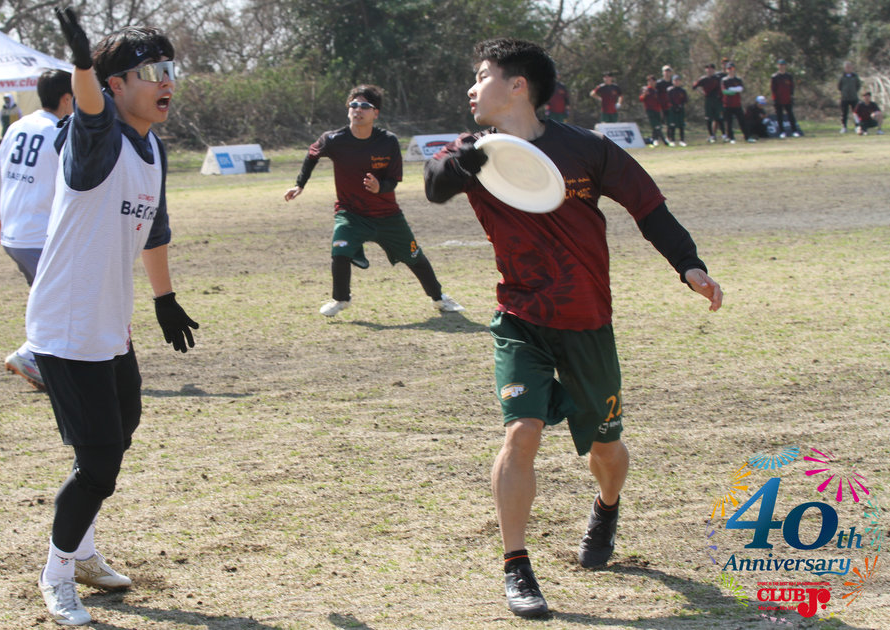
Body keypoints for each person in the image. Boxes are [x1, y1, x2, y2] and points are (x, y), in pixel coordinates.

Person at [424, 37, 723, 619]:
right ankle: (516, 567)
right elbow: (435, 185)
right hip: (520, 318)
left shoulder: (586, 148)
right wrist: (463, 161)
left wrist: (689, 264)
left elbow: (648, 207)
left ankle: (607, 506)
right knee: (521, 432)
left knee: (606, 447)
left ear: (517, 86)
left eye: (481, 75)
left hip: (587, 321)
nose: (471, 87)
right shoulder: (474, 149)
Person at [33, 8, 200, 625]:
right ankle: (57, 574)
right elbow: (89, 112)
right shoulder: (97, 140)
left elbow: (154, 230)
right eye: (150, 72)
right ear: (115, 85)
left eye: (169, 70)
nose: (166, 82)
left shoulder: (153, 148)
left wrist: (164, 299)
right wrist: (82, 66)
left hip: (110, 325)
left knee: (119, 433)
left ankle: (80, 552)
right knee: (100, 461)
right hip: (67, 326)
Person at [284, 84, 464, 318]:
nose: (358, 110)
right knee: (339, 252)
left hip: (388, 216)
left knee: (414, 257)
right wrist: (300, 184)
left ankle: (439, 299)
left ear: (375, 113)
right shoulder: (333, 139)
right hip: (350, 214)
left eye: (365, 106)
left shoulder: (388, 141)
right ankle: (340, 299)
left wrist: (380, 187)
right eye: (353, 105)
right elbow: (312, 155)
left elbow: (394, 180)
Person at [0, 69, 73, 391]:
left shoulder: (18, 126)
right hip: (39, 235)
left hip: (14, 233)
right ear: (67, 99)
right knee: (63, 299)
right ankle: (29, 356)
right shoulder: (59, 133)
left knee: (48, 298)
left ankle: (49, 362)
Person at [693, 63, 725, 143]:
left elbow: (723, 87)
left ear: (714, 70)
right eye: (708, 69)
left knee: (719, 118)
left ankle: (724, 135)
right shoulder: (703, 79)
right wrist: (702, 92)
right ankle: (711, 136)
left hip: (717, 100)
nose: (709, 70)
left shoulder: (718, 78)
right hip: (708, 99)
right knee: (708, 118)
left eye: (711, 69)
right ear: (706, 70)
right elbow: (694, 87)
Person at [721, 62, 751, 143]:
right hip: (727, 104)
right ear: (727, 70)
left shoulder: (738, 80)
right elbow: (724, 91)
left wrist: (731, 89)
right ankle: (731, 138)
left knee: (742, 121)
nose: (731, 70)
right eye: (729, 69)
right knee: (729, 123)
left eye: (732, 68)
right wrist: (734, 90)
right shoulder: (724, 80)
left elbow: (741, 89)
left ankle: (747, 137)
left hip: (737, 104)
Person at [770, 59, 800, 138]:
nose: (782, 66)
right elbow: (773, 89)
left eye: (783, 65)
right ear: (778, 66)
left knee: (790, 115)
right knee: (779, 116)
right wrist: (775, 99)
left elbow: (791, 87)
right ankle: (782, 132)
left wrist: (792, 96)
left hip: (787, 99)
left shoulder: (788, 76)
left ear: (785, 66)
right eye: (780, 65)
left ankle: (794, 131)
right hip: (778, 99)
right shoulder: (775, 76)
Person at [639, 75, 668, 146]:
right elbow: (641, 99)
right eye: (649, 81)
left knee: (657, 126)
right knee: (656, 126)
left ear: (655, 82)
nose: (650, 83)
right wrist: (644, 94)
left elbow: (659, 102)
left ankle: (654, 140)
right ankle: (664, 141)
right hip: (650, 110)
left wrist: (661, 111)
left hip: (657, 111)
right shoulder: (645, 89)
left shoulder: (656, 91)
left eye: (652, 81)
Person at [838, 61, 862, 134]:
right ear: (844, 68)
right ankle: (844, 127)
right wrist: (844, 92)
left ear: (852, 68)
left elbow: (858, 85)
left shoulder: (855, 76)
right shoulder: (842, 76)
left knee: (856, 113)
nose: (848, 68)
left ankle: (857, 126)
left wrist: (854, 91)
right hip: (844, 98)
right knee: (844, 113)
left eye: (849, 67)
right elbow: (839, 86)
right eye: (847, 67)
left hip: (854, 98)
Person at [665, 74, 688, 146]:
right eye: (675, 80)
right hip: (672, 109)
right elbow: (668, 100)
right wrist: (674, 106)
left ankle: (682, 140)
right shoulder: (669, 90)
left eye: (678, 80)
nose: (677, 82)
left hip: (680, 109)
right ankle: (672, 140)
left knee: (681, 125)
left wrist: (680, 106)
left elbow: (685, 100)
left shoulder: (682, 90)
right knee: (672, 125)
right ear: (672, 81)